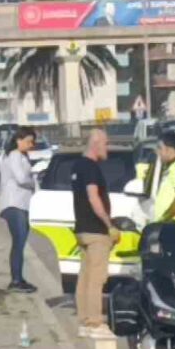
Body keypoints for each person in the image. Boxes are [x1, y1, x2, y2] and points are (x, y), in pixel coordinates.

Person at [71, 129, 119, 338]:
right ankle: (94, 322)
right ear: (96, 144)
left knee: (85, 275)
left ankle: (84, 320)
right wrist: (108, 224)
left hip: (82, 228)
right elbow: (93, 197)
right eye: (106, 144)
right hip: (95, 229)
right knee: (97, 277)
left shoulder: (77, 166)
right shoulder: (91, 168)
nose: (107, 148)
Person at [0, 125, 38, 294]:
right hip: (14, 204)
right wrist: (34, 179)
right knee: (19, 242)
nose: (31, 145)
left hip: (21, 204)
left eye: (33, 142)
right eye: (28, 141)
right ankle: (15, 280)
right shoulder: (14, 155)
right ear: (18, 140)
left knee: (20, 243)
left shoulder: (21, 156)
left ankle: (19, 278)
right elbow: (22, 178)